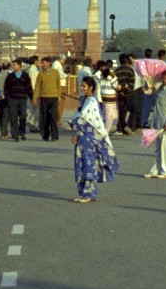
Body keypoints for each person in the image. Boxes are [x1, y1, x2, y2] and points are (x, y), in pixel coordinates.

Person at [70, 74, 118, 202]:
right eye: (81, 86)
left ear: (91, 87)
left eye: (84, 86)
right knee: (81, 163)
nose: (82, 88)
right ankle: (84, 192)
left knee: (88, 163)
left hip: (88, 138)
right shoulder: (86, 100)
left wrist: (75, 132)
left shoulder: (91, 102)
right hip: (82, 138)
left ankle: (90, 193)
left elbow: (83, 119)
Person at [145, 68, 166, 179]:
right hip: (156, 122)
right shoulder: (159, 89)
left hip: (165, 123)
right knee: (157, 148)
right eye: (163, 78)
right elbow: (152, 101)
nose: (164, 80)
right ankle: (157, 169)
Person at [33, 56, 61, 141]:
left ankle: (54, 136)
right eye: (42, 63)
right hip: (44, 98)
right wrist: (34, 98)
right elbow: (37, 86)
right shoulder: (40, 74)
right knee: (44, 118)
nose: (42, 65)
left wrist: (58, 96)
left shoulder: (55, 72)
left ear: (49, 63)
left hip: (53, 98)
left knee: (53, 117)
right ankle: (45, 135)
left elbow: (58, 85)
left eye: (44, 63)